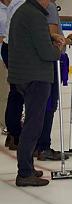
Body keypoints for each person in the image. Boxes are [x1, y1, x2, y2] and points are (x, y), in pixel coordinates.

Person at [8, 0, 62, 186]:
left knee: (32, 123)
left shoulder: (25, 11)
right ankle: (24, 173)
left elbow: (31, 42)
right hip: (35, 77)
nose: (51, 2)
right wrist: (61, 45)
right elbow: (48, 54)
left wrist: (50, 39)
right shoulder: (35, 16)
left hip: (23, 75)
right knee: (33, 125)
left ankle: (28, 167)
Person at [34, 0, 72, 161]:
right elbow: (55, 39)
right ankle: (43, 146)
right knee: (49, 104)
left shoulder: (30, 6)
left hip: (37, 62)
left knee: (38, 104)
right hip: (51, 61)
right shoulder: (49, 7)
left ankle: (35, 145)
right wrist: (71, 39)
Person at [1, 0, 24, 150]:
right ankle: (14, 132)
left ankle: (13, 133)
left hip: (12, 50)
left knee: (14, 93)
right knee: (14, 94)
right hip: (11, 51)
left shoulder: (19, 3)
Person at [0, 0, 9, 134]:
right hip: (1, 57)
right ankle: (5, 122)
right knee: (4, 91)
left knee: (7, 91)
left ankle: (6, 121)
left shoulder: (17, 7)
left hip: (12, 56)